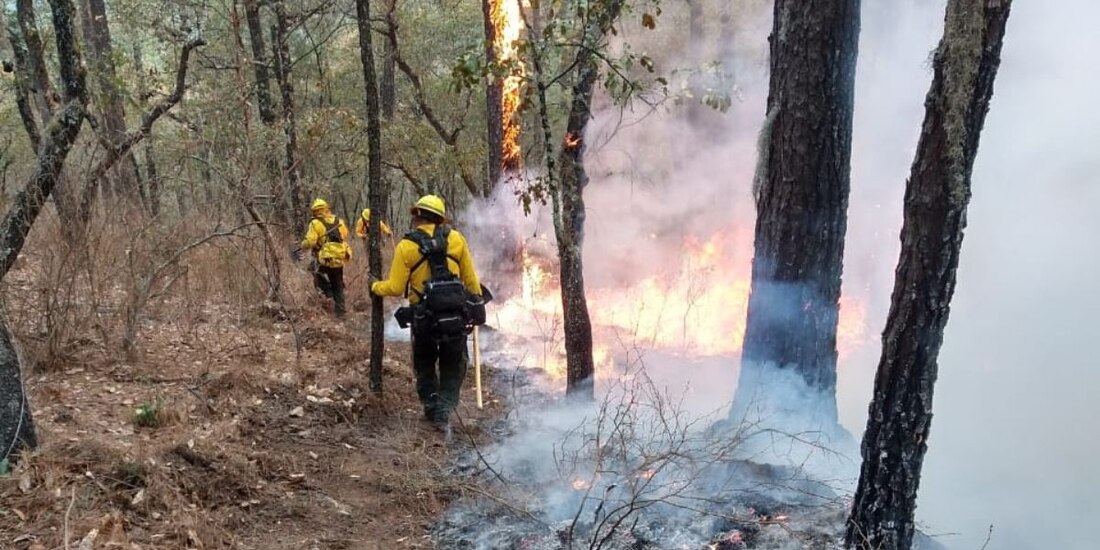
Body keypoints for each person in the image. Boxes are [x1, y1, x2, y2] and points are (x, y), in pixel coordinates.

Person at [371, 195, 482, 429]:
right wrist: (477, 303)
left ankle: (431, 405)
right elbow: (471, 281)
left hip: (423, 319)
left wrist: (374, 287)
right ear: (441, 218)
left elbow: (395, 288)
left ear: (417, 216)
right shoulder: (457, 239)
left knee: (424, 362)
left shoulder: (407, 246)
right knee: (454, 363)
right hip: (455, 317)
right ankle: (445, 408)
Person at [300, 198, 351, 316]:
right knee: (337, 283)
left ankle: (328, 295)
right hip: (339, 258)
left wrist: (302, 245)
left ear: (314, 211)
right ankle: (341, 313)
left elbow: (310, 242)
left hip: (323, 259)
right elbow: (345, 234)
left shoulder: (315, 223)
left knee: (315, 272)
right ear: (327, 208)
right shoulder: (339, 221)